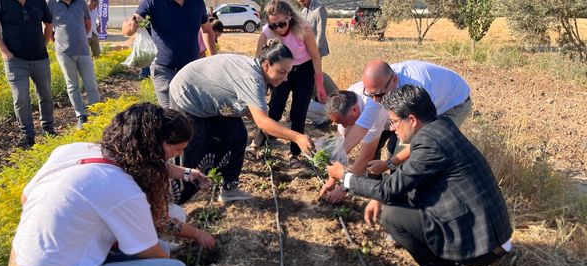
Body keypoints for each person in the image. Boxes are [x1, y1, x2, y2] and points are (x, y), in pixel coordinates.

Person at [5, 103, 214, 266]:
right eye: (175, 151)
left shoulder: (75, 151)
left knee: (161, 252)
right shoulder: (120, 188)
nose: (177, 157)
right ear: (152, 148)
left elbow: (26, 198)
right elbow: (151, 247)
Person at [327, 85, 512, 266]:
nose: (393, 129)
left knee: (392, 215)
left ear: (412, 120)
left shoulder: (430, 146)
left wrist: (345, 176)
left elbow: (388, 190)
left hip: (483, 247)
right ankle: (431, 246)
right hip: (492, 233)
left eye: (395, 122)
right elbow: (405, 176)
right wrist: (386, 165)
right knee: (401, 195)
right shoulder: (440, 126)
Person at [321, 60, 472, 220]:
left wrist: (387, 166)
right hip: (417, 107)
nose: (375, 100)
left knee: (409, 157)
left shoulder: (418, 89)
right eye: (370, 95)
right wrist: (333, 175)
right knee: (391, 146)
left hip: (451, 105)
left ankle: (410, 213)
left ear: (394, 80)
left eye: (378, 95)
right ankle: (392, 196)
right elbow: (361, 129)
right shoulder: (376, 93)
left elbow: (421, 141)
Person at [169, 39, 315, 203]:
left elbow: (257, 117)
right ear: (266, 65)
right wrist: (297, 137)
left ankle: (229, 189)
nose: (286, 78)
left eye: (288, 72)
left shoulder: (258, 73)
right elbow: (262, 122)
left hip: (211, 98)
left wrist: (268, 125)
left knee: (237, 135)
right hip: (188, 95)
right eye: (282, 72)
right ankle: (176, 201)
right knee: (192, 150)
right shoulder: (252, 79)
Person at [248, 0, 326, 169]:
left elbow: (315, 57)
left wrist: (319, 85)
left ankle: (295, 154)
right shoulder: (268, 32)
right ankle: (256, 144)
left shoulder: (304, 29)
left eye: (282, 24)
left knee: (298, 113)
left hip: (304, 72)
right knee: (274, 109)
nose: (278, 29)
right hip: (281, 70)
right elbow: (258, 60)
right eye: (273, 25)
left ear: (290, 17)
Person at [122, 0, 217, 108]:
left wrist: (214, 58)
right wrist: (132, 25)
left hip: (191, 70)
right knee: (170, 113)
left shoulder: (197, 2)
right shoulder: (152, 2)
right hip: (163, 69)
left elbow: (207, 30)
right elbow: (126, 30)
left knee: (191, 111)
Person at [0, 0, 55, 149]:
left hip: (40, 59)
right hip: (15, 61)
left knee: (46, 95)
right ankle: (28, 136)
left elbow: (49, 23)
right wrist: (4, 51)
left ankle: (48, 129)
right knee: (21, 98)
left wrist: (43, 45)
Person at [47, 0, 101, 129]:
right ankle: (81, 116)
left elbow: (87, 24)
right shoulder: (51, 3)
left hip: (83, 51)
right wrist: (58, 42)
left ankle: (96, 114)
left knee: (91, 84)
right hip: (64, 53)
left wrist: (79, 38)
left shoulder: (81, 2)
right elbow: (48, 25)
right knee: (72, 85)